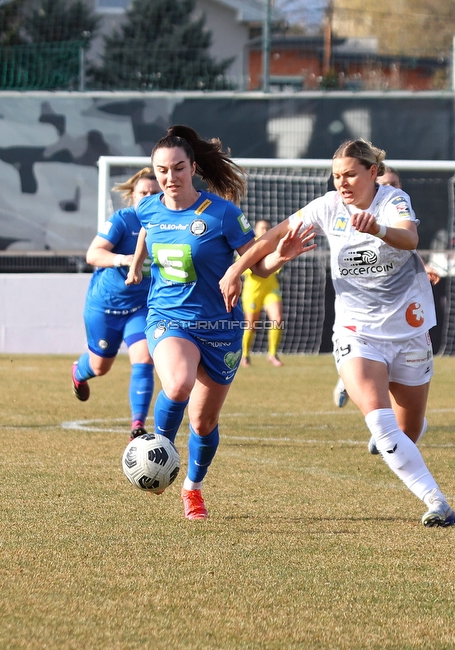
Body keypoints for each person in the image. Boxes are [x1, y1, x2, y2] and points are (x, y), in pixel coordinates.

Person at [220, 139, 455, 527]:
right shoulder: (328, 206)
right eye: (336, 176)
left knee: (408, 429)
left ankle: (404, 437)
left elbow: (410, 238)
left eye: (349, 174)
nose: (342, 183)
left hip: (409, 332)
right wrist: (235, 270)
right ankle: (438, 503)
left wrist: (379, 228)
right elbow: (269, 238)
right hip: (356, 331)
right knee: (382, 428)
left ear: (371, 173)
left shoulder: (394, 200)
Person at [126, 125, 315, 520]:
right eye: (161, 170)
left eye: (178, 168)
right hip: (167, 318)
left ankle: (192, 489)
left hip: (218, 328)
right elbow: (146, 229)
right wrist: (136, 265)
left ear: (193, 168)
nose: (169, 177)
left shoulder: (222, 214)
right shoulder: (148, 206)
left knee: (204, 420)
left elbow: (258, 268)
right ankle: (158, 449)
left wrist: (282, 255)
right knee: (177, 383)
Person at [334, 165, 441, 415]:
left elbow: (405, 247)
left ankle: (394, 429)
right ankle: (353, 376)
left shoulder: (399, 208)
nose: (392, 188)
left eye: (396, 183)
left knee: (402, 381)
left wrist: (422, 266)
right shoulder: (363, 216)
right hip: (365, 307)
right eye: (387, 183)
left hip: (399, 307)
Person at [72, 169, 160, 439]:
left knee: (144, 359)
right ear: (132, 197)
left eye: (154, 193)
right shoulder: (123, 220)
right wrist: (124, 259)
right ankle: (78, 372)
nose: (148, 197)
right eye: (143, 193)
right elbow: (93, 254)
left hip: (140, 306)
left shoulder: (168, 223)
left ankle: (137, 426)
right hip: (106, 306)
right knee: (101, 367)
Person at [240, 219, 285, 367]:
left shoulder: (274, 247)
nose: (264, 231)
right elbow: (248, 268)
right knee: (251, 325)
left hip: (270, 288)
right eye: (261, 228)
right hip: (253, 291)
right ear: (255, 231)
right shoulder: (247, 247)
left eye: (267, 228)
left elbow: (276, 265)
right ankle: (245, 355)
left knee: (277, 319)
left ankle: (272, 354)